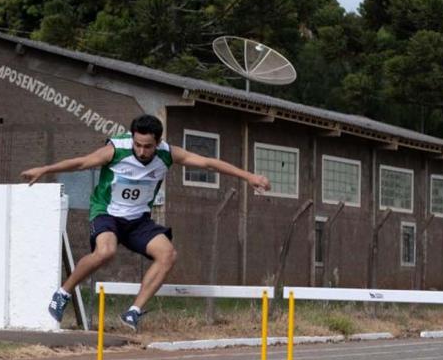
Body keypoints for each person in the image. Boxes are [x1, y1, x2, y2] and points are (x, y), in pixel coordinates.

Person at [20, 114, 271, 331]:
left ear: (158, 142)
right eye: (138, 145)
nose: (141, 152)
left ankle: (133, 311)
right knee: (105, 251)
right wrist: (45, 169)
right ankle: (62, 293)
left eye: (147, 146)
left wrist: (249, 176)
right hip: (107, 213)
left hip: (139, 220)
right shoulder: (116, 149)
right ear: (132, 138)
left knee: (168, 254)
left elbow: (208, 163)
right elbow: (83, 162)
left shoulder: (167, 154)